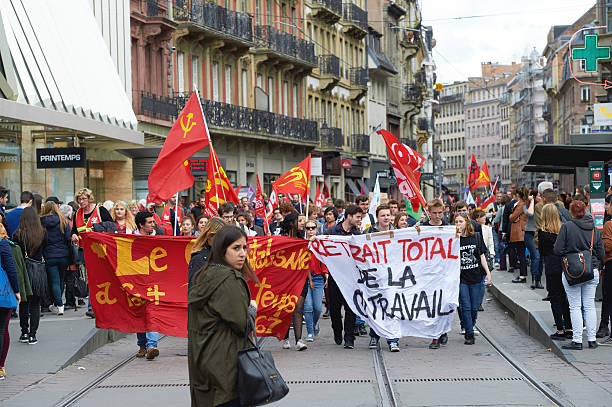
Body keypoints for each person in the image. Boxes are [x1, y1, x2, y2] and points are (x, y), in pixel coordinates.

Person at [188, 225, 257, 407]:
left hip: (204, 363)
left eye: (244, 247)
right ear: (221, 249)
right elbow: (242, 324)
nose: (242, 253)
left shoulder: (206, 274)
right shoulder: (228, 279)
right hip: (226, 366)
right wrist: (251, 310)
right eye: (236, 248)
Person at [554, 200, 605, 350]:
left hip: (573, 271)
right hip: (592, 270)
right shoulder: (595, 229)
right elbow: (601, 253)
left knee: (575, 306)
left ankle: (577, 340)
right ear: (585, 211)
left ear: (571, 212)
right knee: (589, 305)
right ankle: (592, 340)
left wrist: (570, 254)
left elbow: (557, 249)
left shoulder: (567, 227)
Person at [327, 205, 363, 349]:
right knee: (334, 309)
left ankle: (349, 337)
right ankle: (337, 330)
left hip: (351, 278)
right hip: (335, 277)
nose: (360, 220)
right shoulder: (332, 231)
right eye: (358, 217)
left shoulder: (358, 234)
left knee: (351, 307)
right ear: (349, 216)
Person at [365, 205, 400, 352]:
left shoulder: (398, 233)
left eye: (388, 215)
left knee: (392, 307)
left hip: (393, 276)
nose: (386, 218)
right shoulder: (368, 232)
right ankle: (374, 335)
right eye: (383, 215)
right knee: (376, 306)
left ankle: (393, 339)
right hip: (375, 276)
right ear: (377, 217)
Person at [454, 213, 492, 345]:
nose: (458, 224)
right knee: (465, 306)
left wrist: (488, 273)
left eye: (461, 221)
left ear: (467, 223)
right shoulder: (454, 240)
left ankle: (470, 323)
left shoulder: (476, 237)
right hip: (461, 278)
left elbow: (481, 256)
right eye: (456, 222)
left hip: (476, 277)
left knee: (474, 307)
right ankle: (469, 333)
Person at [538, 204, 572, 341]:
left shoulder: (543, 232)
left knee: (555, 298)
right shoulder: (564, 229)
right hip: (564, 266)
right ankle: (569, 327)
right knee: (565, 297)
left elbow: (541, 251)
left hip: (552, 267)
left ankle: (560, 330)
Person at [13, 207, 46, 345]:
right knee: (35, 304)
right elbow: (46, 251)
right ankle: (33, 334)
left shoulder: (18, 234)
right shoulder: (43, 232)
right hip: (38, 270)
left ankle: (24, 332)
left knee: (24, 304)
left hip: (25, 270)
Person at [132, 210, 161, 360]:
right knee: (140, 313)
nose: (153, 224)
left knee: (152, 312)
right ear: (140, 225)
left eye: (153, 222)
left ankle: (152, 346)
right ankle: (142, 345)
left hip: (154, 282)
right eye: (149, 222)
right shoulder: (130, 237)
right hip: (137, 282)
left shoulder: (159, 234)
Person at [279, 212, 310, 350]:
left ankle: (299, 340)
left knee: (298, 308)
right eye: (299, 221)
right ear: (292, 223)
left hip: (300, 278)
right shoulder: (280, 239)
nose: (302, 223)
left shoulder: (303, 239)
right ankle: (285, 337)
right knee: (286, 308)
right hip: (284, 279)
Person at [40, 201, 72, 315]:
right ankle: (59, 304)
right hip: (64, 254)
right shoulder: (63, 221)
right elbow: (68, 238)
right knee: (61, 280)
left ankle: (58, 305)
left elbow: (41, 240)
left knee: (54, 281)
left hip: (49, 255)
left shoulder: (42, 222)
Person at [0, 223, 20, 380]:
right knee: (2, 329)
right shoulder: (3, 243)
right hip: (2, 292)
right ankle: (0, 367)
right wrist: (17, 291)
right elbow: (11, 268)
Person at [303, 219, 327, 343]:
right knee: (308, 307)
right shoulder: (302, 243)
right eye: (308, 228)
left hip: (318, 278)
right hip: (304, 279)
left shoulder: (320, 243)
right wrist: (308, 244)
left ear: (317, 229)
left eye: (313, 228)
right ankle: (310, 332)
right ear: (305, 230)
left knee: (317, 307)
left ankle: (314, 322)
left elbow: (324, 259)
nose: (311, 230)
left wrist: (326, 275)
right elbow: (302, 260)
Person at [188, 217, 226, 290]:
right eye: (219, 236)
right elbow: (193, 292)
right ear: (209, 235)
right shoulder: (198, 259)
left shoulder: (227, 256)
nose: (223, 240)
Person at [598, 194, 612, 342]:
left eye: (607, 204)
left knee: (608, 296)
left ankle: (604, 325)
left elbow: (606, 247)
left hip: (610, 263)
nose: (605, 207)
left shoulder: (608, 224)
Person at [524, 190, 543, 289]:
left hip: (540, 234)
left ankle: (538, 280)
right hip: (530, 234)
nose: (541, 198)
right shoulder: (527, 205)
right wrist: (531, 201)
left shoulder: (543, 206)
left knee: (540, 258)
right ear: (534, 197)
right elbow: (530, 214)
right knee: (536, 256)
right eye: (539, 196)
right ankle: (534, 279)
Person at [509, 188, 528, 284]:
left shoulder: (520, 204)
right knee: (521, 255)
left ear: (517, 195)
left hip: (520, 232)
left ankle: (523, 275)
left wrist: (511, 216)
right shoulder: (523, 203)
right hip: (522, 231)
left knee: (521, 255)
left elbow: (512, 217)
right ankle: (522, 274)